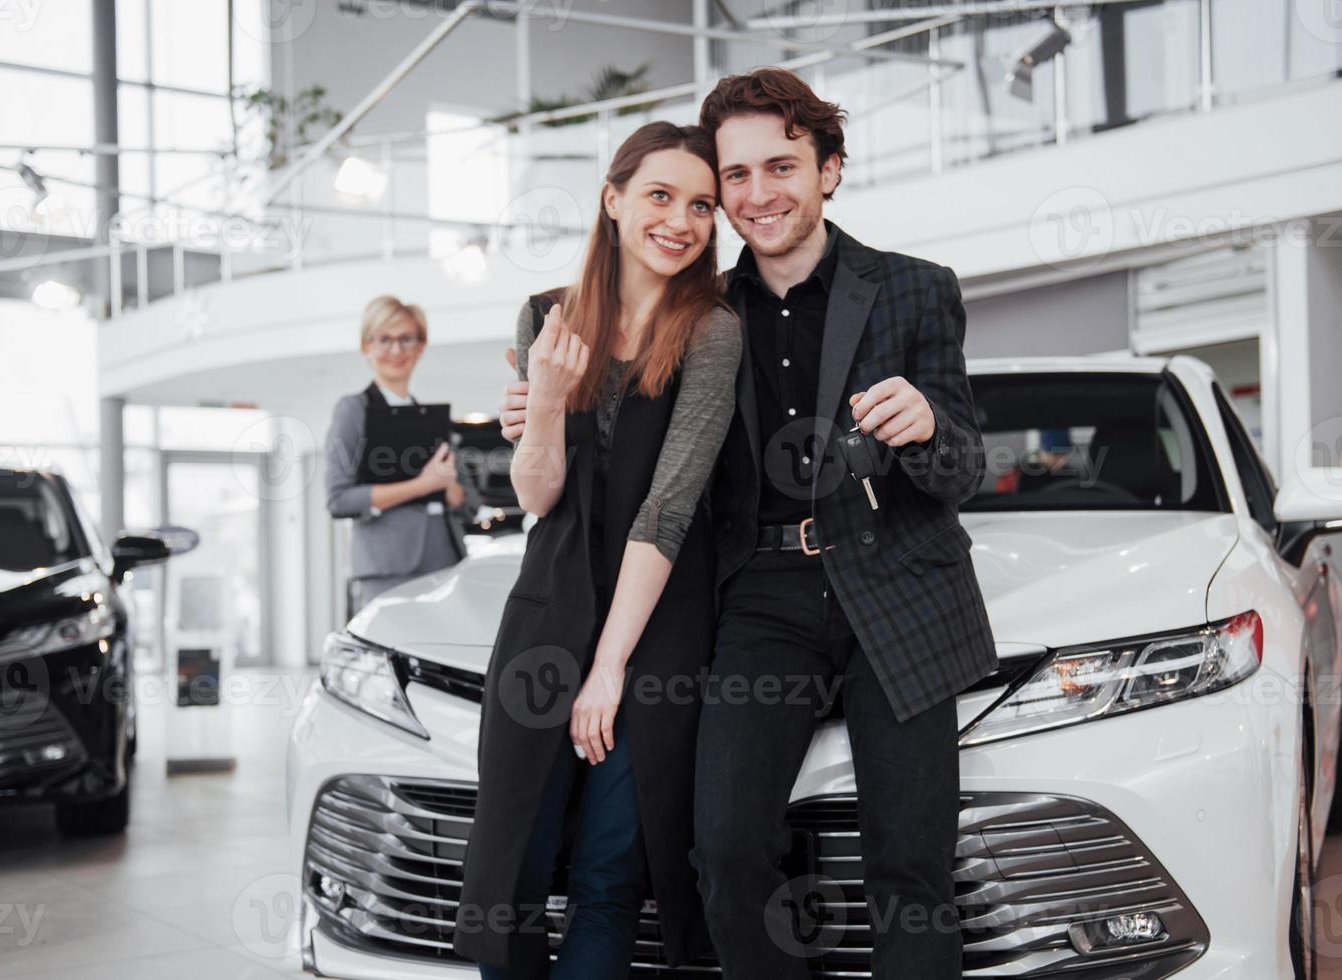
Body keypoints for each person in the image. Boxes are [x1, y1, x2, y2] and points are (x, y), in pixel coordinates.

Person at [501, 68, 998, 979]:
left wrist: (928, 426)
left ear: (830, 171)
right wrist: (541, 409)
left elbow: (966, 465)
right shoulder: (697, 311)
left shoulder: (916, 290)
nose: (758, 194)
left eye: (783, 167)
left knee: (910, 870)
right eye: (737, 176)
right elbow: (632, 443)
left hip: (904, 588)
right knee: (723, 854)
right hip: (759, 598)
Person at [454, 121, 741, 980]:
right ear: (613, 199)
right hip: (548, 610)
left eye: (700, 204)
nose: (681, 221)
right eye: (660, 196)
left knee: (611, 874)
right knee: (512, 868)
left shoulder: (712, 331)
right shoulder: (547, 316)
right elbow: (536, 498)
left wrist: (611, 666)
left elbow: (670, 504)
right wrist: (543, 400)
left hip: (658, 628)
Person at [324, 295, 475, 615]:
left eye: (407, 339)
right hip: (387, 568)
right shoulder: (354, 410)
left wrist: (450, 489)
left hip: (446, 560)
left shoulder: (434, 422)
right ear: (367, 347)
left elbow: (468, 503)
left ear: (421, 346)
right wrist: (423, 485)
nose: (397, 350)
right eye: (385, 340)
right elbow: (339, 500)